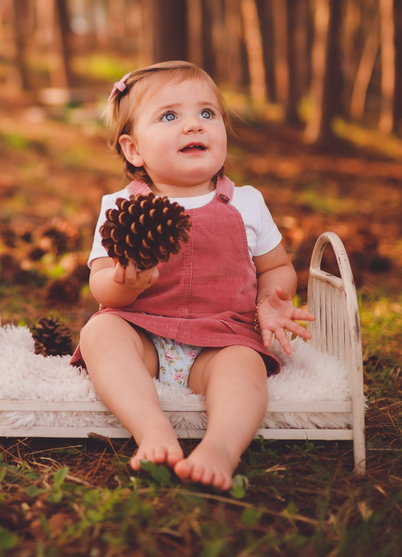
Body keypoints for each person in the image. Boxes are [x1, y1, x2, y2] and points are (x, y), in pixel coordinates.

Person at [72, 61, 315, 490]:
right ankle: (151, 430)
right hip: (142, 332)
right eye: (170, 116)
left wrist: (271, 299)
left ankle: (221, 447)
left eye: (207, 114)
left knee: (245, 369)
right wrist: (123, 284)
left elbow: (275, 266)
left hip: (221, 338)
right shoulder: (120, 207)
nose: (193, 127)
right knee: (100, 333)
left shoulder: (247, 202)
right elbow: (100, 282)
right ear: (134, 150)